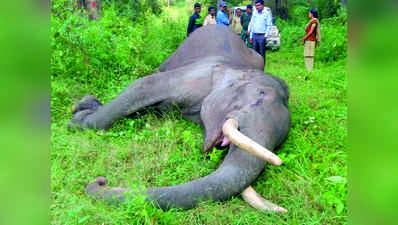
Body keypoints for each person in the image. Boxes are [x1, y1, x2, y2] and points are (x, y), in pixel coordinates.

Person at [248, 0, 272, 68]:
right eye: (256, 6)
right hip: (255, 35)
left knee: (262, 54)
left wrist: (265, 36)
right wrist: (251, 36)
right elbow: (252, 24)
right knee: (254, 54)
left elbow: (269, 25)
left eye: (258, 5)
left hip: (262, 36)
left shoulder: (266, 13)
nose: (257, 7)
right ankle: (255, 68)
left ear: (262, 5)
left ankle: (262, 68)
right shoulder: (255, 13)